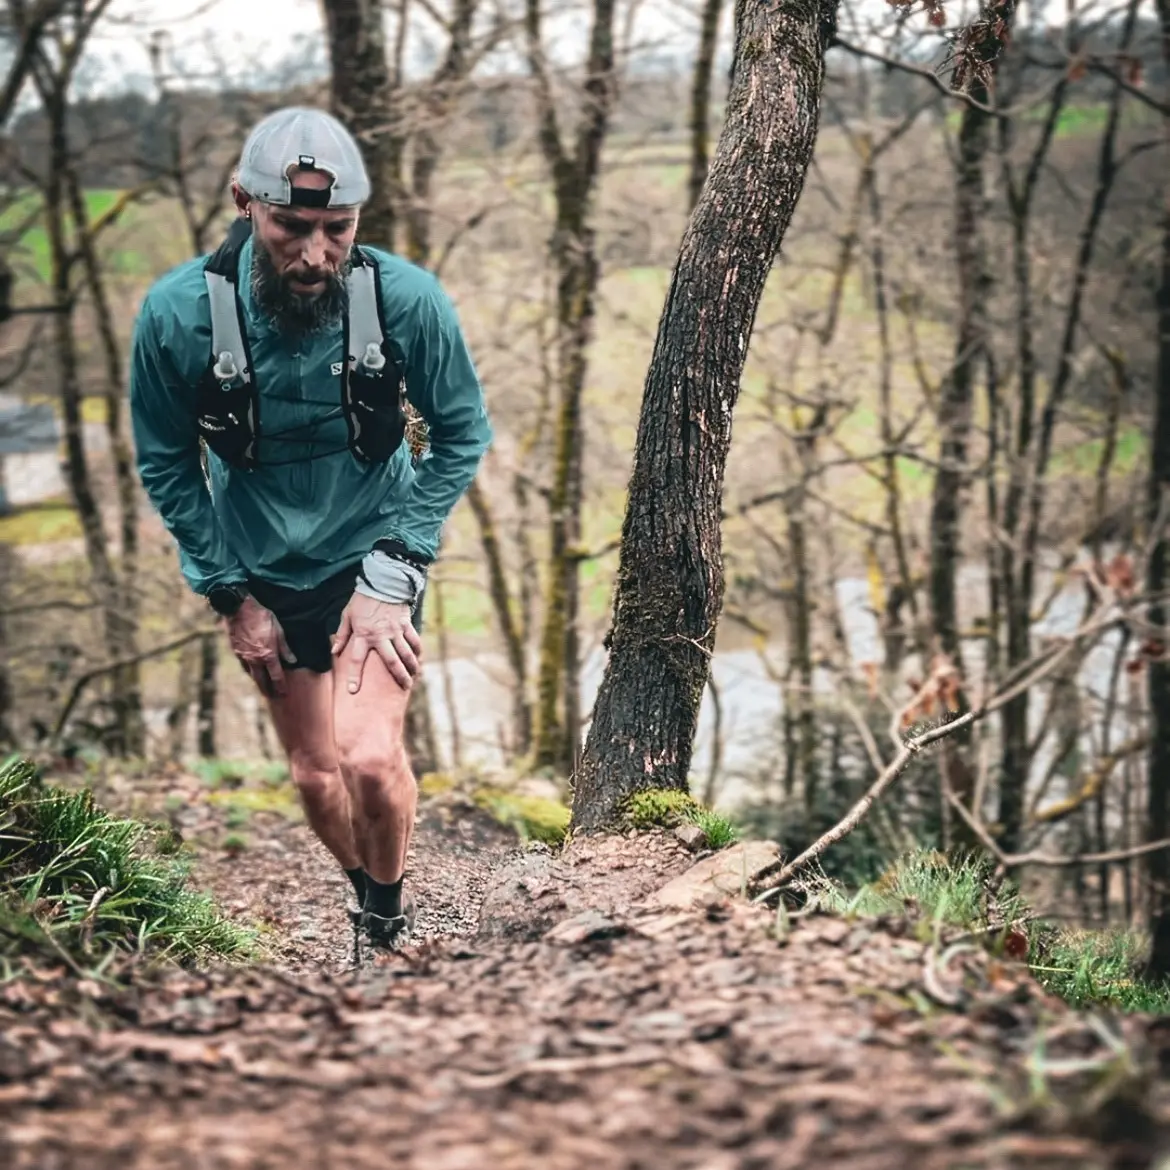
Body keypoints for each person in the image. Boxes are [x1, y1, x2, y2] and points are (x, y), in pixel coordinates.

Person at [128, 107, 493, 952]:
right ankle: (366, 888)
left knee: (367, 757)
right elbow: (167, 462)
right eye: (293, 226)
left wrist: (397, 567)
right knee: (315, 773)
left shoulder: (405, 301)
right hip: (258, 568)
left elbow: (462, 432)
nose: (316, 252)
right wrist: (229, 595)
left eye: (338, 228)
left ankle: (388, 922)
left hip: (371, 553)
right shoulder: (178, 315)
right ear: (245, 203)